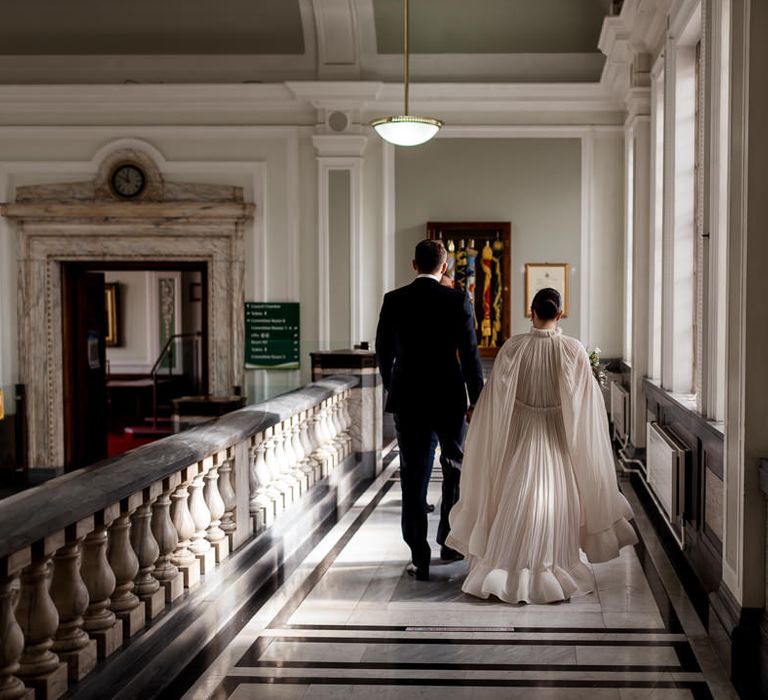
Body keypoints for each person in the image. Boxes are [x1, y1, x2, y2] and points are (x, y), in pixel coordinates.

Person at [446, 287, 637, 604]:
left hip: (519, 437)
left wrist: (496, 440)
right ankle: (551, 566)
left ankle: (505, 564)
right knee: (555, 498)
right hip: (557, 437)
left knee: (516, 495)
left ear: (530, 311)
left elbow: (495, 402)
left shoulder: (514, 347)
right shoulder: (572, 350)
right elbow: (584, 409)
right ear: (559, 314)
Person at [376, 239, 484, 581]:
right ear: (445, 266)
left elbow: (383, 353)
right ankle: (448, 541)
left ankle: (418, 557)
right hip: (449, 397)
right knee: (454, 468)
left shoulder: (394, 300)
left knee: (414, 476)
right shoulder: (457, 299)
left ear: (413, 264)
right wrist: (476, 399)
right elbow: (470, 355)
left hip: (408, 401)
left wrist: (394, 387)